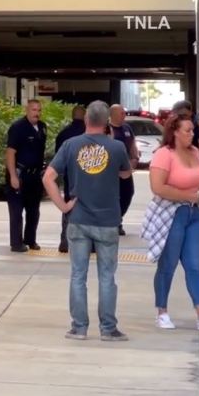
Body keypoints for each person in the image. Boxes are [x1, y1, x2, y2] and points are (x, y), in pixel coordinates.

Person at [42, 100, 132, 341]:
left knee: (78, 275)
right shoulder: (116, 147)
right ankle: (108, 328)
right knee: (107, 276)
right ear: (106, 123)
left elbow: (49, 177)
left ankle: (79, 328)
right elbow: (126, 173)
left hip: (78, 218)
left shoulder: (71, 145)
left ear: (86, 120)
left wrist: (63, 205)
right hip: (108, 220)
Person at [143, 114, 199, 330]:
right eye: (187, 130)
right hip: (172, 214)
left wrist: (198, 197)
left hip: (195, 214)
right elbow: (158, 187)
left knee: (194, 266)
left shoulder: (196, 152)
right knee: (167, 265)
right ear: (175, 132)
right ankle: (162, 311)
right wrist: (188, 196)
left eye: (192, 130)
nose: (191, 134)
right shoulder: (164, 154)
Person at [6, 100, 47, 253]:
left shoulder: (42, 127)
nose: (36, 113)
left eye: (39, 110)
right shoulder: (18, 127)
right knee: (17, 211)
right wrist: (12, 176)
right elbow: (10, 152)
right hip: (20, 174)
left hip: (35, 176)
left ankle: (30, 240)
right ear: (27, 110)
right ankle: (16, 243)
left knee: (34, 210)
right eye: (33, 110)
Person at [54, 105, 86, 253]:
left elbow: (57, 159)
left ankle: (64, 242)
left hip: (69, 176)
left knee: (68, 206)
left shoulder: (63, 134)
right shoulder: (87, 133)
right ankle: (87, 243)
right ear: (85, 116)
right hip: (86, 176)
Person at [109, 105, 139, 236]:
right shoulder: (107, 129)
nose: (124, 115)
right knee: (113, 197)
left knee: (128, 194)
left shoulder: (127, 128)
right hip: (111, 172)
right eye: (121, 113)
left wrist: (135, 158)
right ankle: (114, 223)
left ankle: (118, 219)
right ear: (113, 114)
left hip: (126, 169)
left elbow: (132, 144)